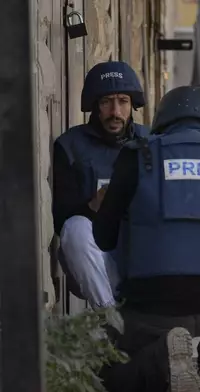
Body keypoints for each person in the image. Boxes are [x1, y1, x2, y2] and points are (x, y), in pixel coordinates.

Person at [93, 86, 200, 392]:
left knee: (110, 375)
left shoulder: (136, 155)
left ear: (161, 120)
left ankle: (164, 358)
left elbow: (103, 238)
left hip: (149, 307)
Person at [53, 61, 149, 309]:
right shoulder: (70, 145)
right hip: (97, 260)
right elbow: (59, 220)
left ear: (132, 105)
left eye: (123, 101)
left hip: (143, 255)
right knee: (75, 227)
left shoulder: (152, 142)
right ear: (94, 106)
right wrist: (93, 205)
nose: (115, 112)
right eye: (106, 102)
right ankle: (110, 320)